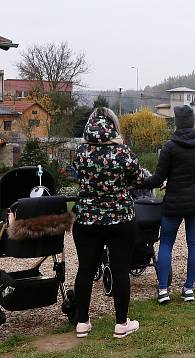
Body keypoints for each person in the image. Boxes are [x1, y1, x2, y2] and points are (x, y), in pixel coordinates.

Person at [71, 107, 140, 339]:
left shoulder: (80, 151)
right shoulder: (122, 151)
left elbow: (77, 176)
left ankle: (82, 322)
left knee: (85, 270)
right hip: (120, 218)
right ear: (114, 125)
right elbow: (138, 178)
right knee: (121, 270)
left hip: (86, 219)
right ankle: (121, 323)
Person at [138, 105, 195, 304]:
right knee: (194, 243)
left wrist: (138, 183)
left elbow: (157, 179)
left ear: (177, 123)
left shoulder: (169, 146)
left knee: (166, 243)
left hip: (174, 203)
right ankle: (189, 289)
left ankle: (163, 291)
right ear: (193, 122)